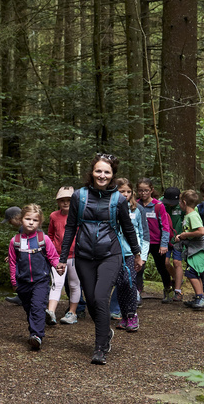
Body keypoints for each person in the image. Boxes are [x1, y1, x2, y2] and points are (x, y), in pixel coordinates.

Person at [57, 153, 142, 365]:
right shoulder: (79, 196)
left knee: (101, 297)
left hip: (110, 254)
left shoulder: (118, 200)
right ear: (92, 172)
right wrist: (61, 257)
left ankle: (100, 347)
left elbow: (128, 229)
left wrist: (137, 252)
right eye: (98, 171)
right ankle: (106, 332)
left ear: (112, 175)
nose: (102, 175)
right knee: (92, 300)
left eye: (107, 172)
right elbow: (70, 228)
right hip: (84, 255)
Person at [8, 204, 61, 350]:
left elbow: (53, 256)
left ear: (39, 222)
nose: (31, 222)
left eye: (35, 220)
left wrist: (58, 266)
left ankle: (36, 335)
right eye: (27, 219)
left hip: (41, 280)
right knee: (29, 308)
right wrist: (14, 281)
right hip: (23, 282)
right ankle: (34, 331)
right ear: (21, 220)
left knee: (38, 307)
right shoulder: (15, 241)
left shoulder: (43, 239)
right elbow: (12, 262)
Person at [109, 178, 149, 332]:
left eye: (128, 191)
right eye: (121, 192)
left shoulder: (137, 209)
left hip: (132, 253)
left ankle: (132, 315)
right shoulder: (111, 208)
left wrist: (142, 256)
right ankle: (124, 315)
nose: (125, 194)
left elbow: (144, 234)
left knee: (129, 282)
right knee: (120, 283)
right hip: (115, 252)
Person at [45, 187, 81, 325]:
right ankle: (51, 312)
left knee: (74, 284)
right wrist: (51, 251)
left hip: (75, 256)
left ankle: (72, 312)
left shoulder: (79, 215)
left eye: (69, 200)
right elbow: (51, 235)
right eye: (62, 201)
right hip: (58, 256)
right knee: (56, 283)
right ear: (58, 202)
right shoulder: (54, 216)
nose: (66, 203)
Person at [173, 190, 204, 311]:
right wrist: (182, 236)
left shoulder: (192, 215)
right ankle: (199, 297)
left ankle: (200, 297)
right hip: (193, 249)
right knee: (195, 273)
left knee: (191, 273)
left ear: (184, 202)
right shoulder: (188, 215)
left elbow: (202, 231)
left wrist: (185, 235)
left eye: (180, 201)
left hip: (199, 250)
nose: (179, 204)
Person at [136, 178, 173, 303]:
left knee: (162, 267)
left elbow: (165, 226)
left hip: (157, 243)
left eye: (146, 190)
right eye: (140, 190)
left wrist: (164, 244)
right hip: (141, 243)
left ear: (151, 190)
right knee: (139, 268)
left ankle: (168, 289)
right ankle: (137, 292)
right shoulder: (135, 204)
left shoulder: (158, 205)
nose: (143, 193)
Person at [162, 187, 184, 302]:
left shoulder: (182, 205)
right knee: (165, 262)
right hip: (165, 238)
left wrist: (183, 235)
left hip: (178, 239)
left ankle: (178, 291)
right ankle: (176, 278)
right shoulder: (161, 203)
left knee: (177, 262)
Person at [2, 206, 24, 306]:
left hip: (30, 258)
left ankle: (22, 297)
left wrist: (15, 256)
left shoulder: (25, 228)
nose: (10, 224)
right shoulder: (23, 228)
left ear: (16, 217)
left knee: (22, 275)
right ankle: (21, 297)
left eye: (10, 221)